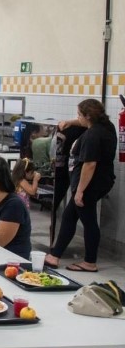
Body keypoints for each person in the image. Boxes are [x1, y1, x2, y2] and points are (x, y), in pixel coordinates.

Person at [47, 99, 117, 272]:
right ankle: (55, 255)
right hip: (99, 182)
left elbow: (90, 164)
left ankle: (89, 262)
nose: (77, 117)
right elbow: (83, 122)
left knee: (89, 221)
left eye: (79, 114)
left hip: (89, 185)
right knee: (70, 216)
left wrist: (80, 191)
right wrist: (70, 122)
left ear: (88, 116)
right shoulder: (107, 126)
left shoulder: (92, 135)